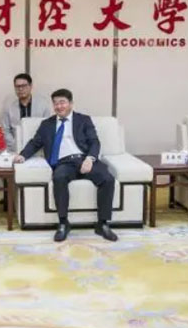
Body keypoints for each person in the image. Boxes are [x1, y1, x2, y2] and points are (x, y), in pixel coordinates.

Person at [14, 88, 118, 242]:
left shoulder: (84, 120)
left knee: (107, 179)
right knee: (59, 178)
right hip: (64, 162)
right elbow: (35, 143)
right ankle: (63, 223)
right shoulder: (47, 124)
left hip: (84, 159)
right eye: (55, 103)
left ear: (71, 103)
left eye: (62, 102)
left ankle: (102, 224)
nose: (59, 106)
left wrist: (90, 159)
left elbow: (94, 142)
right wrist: (23, 155)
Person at [1, 73, 51, 152]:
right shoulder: (9, 108)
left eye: (24, 86)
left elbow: (48, 129)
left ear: (30, 86)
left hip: (38, 149)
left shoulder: (43, 105)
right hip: (16, 149)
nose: (20, 89)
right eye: (17, 86)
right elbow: (5, 130)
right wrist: (15, 145)